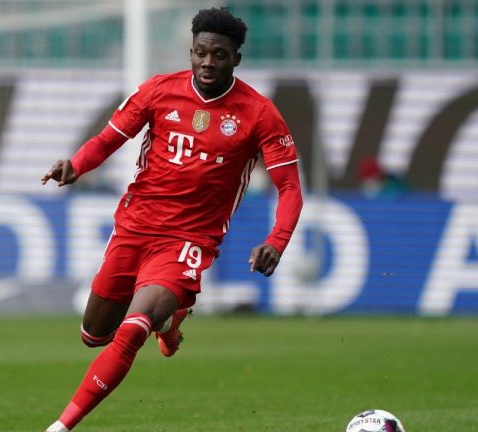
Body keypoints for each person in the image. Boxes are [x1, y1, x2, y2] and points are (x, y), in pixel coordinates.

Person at [40, 7, 303, 431]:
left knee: (131, 330)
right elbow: (111, 138)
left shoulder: (259, 113)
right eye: (201, 52)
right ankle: (170, 318)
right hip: (135, 226)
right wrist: (76, 164)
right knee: (93, 334)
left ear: (237, 58)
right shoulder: (160, 90)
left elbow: (290, 187)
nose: (207, 63)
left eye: (219, 55)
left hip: (189, 241)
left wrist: (277, 239)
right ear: (192, 50)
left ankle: (62, 425)